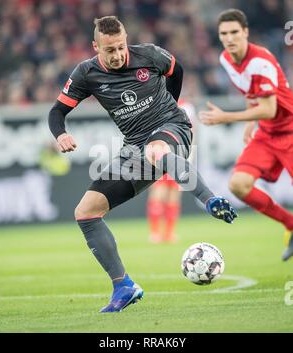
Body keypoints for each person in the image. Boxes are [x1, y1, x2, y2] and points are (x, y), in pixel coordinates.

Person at [48, 16, 237, 313]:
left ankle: (210, 199)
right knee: (85, 212)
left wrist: (169, 106)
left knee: (155, 149)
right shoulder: (86, 73)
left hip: (172, 128)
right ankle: (123, 285)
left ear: (126, 40)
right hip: (133, 147)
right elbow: (57, 111)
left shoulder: (149, 54)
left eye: (121, 46)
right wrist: (60, 135)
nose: (117, 54)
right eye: (109, 49)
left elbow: (177, 70)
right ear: (96, 47)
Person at [199, 9, 293, 261]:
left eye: (234, 33)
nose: (229, 38)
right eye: (224, 34)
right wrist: (251, 120)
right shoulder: (226, 60)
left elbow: (271, 108)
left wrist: (227, 117)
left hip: (290, 129)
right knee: (238, 185)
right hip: (267, 132)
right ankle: (291, 224)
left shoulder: (260, 61)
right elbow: (252, 94)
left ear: (246, 33)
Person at [146, 99, 196, 243]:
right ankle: (155, 233)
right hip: (160, 153)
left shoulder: (186, 105)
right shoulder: (157, 101)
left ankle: (168, 234)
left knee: (173, 195)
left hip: (179, 154)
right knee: (158, 193)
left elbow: (191, 132)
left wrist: (189, 155)